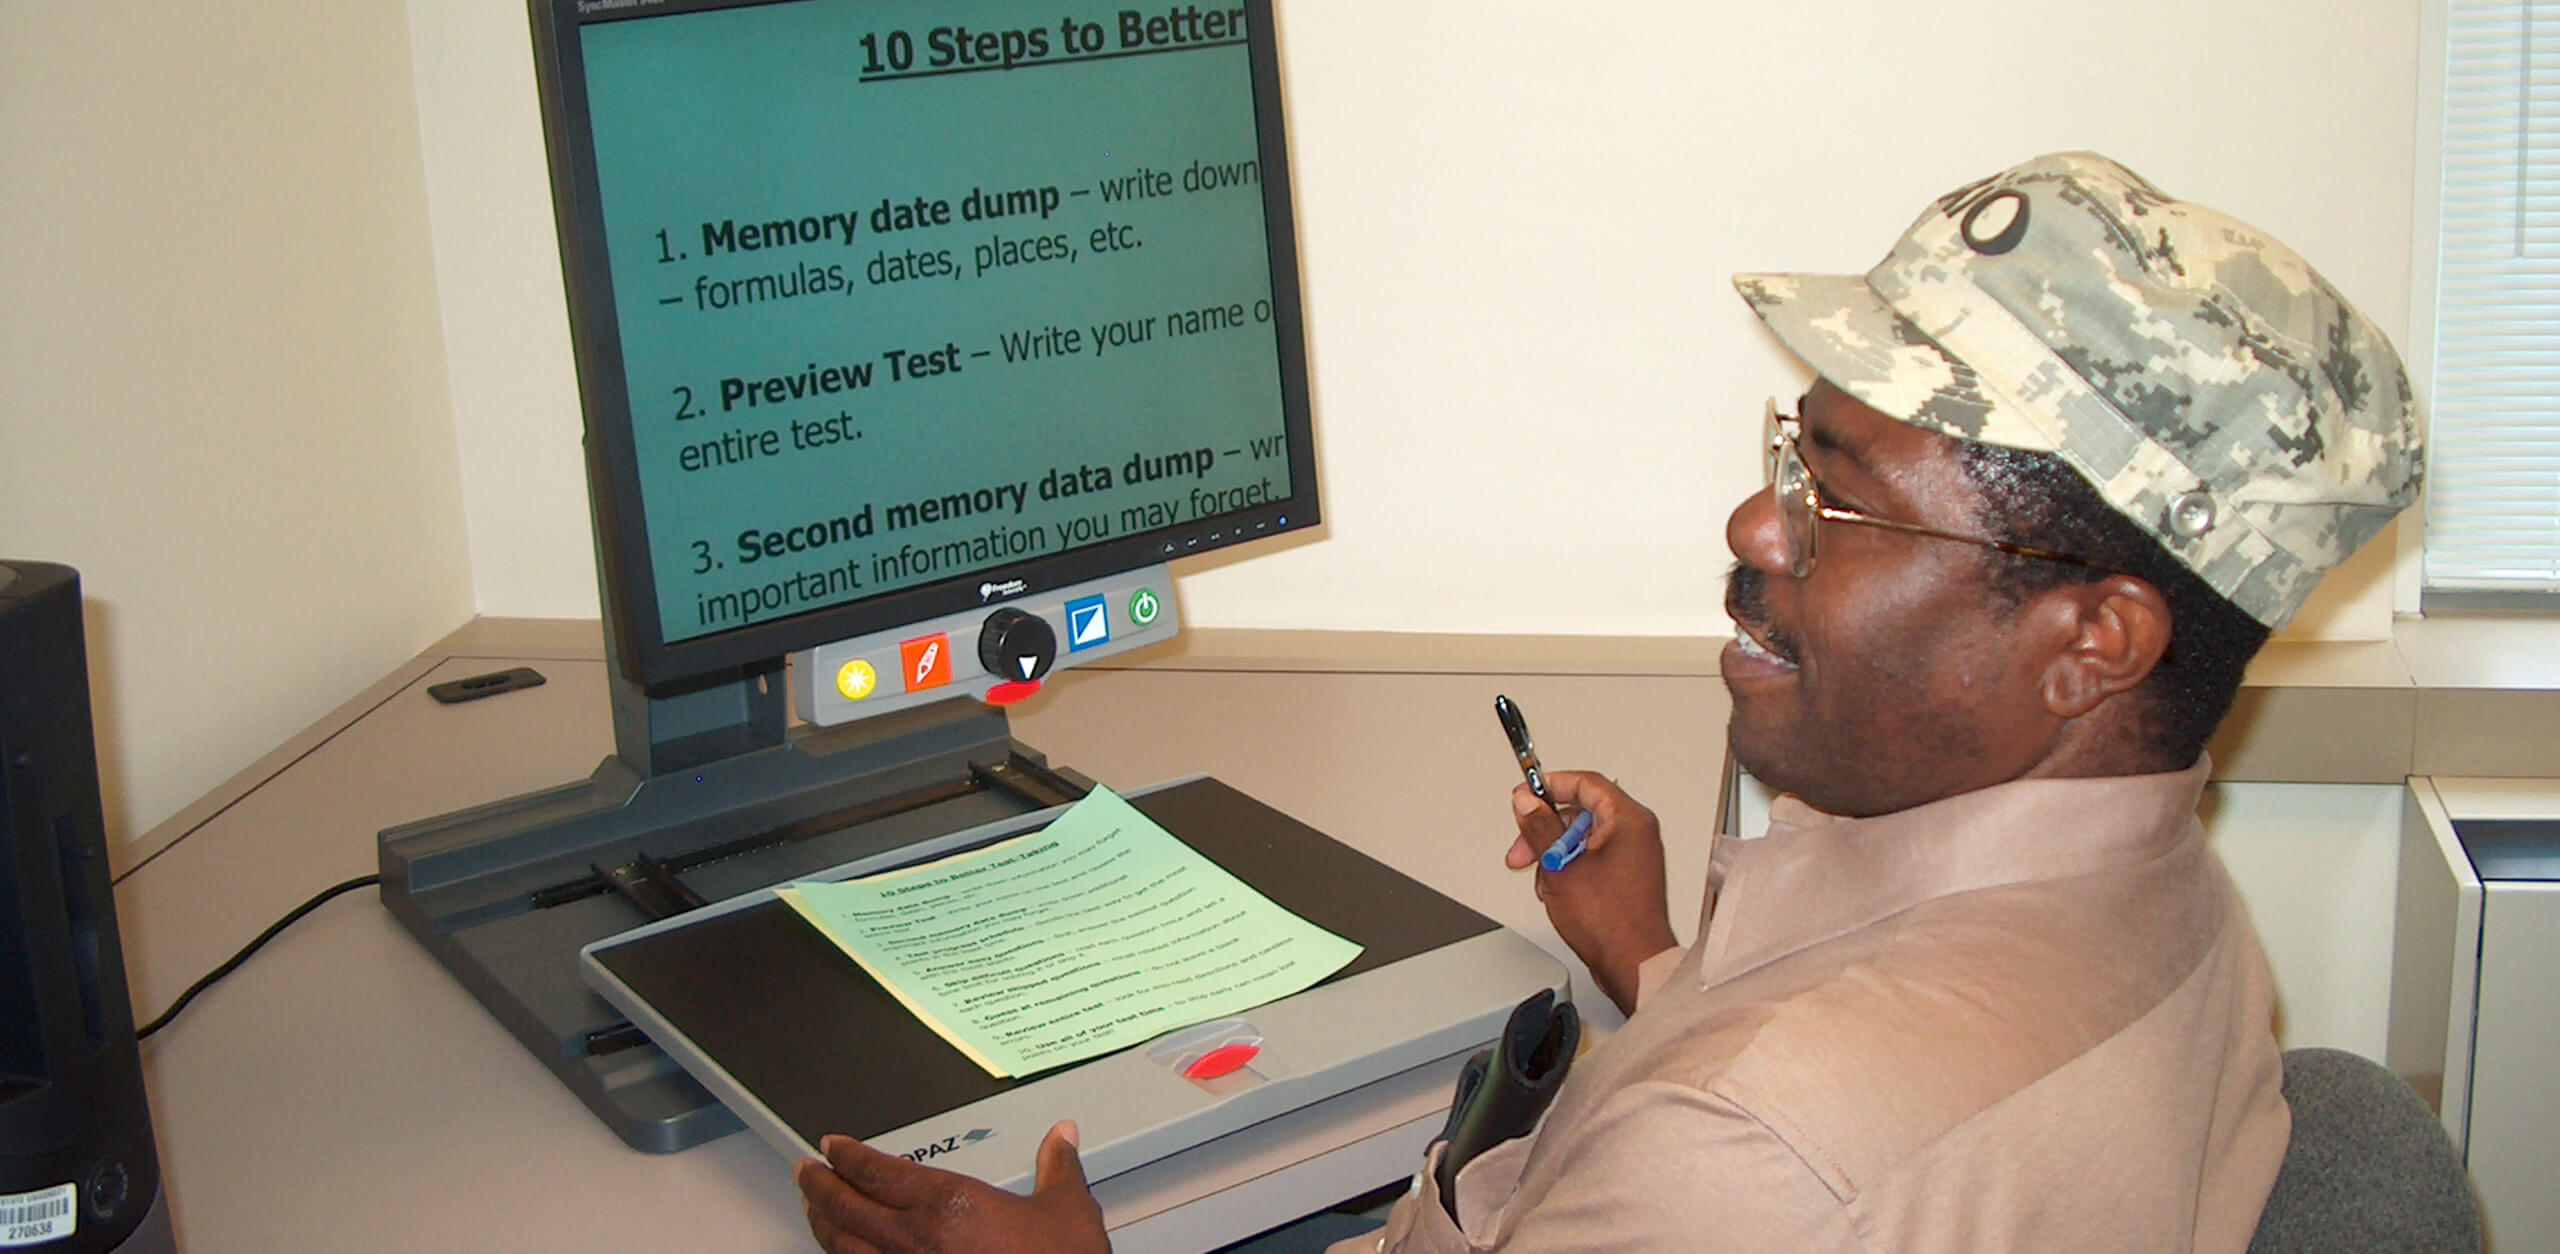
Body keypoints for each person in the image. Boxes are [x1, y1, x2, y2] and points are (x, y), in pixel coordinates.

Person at [791, 150, 2424, 1253]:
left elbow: (1771, 1143)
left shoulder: (1749, 1148)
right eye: (1792, 458)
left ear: (2092, 643)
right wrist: (1650, 960)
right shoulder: (2172, 900)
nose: (1756, 527)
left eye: (1842, 498)